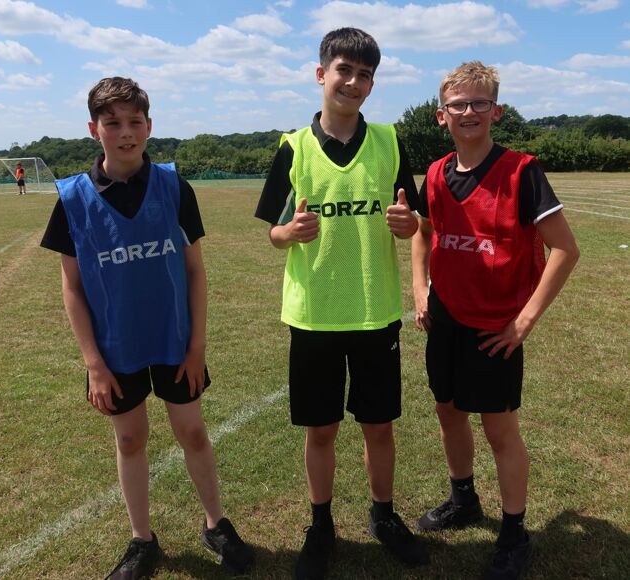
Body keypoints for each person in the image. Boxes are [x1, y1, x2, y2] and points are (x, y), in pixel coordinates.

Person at [40, 77, 254, 579]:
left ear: (150, 126)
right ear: (93, 129)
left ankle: (216, 523)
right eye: (112, 123)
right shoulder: (73, 198)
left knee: (192, 431)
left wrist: (197, 345)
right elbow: (71, 288)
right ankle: (142, 540)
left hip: (174, 341)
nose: (125, 132)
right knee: (130, 439)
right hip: (115, 348)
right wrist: (93, 364)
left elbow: (195, 271)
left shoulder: (174, 187)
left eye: (134, 121)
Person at [255, 27, 428, 580]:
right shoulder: (293, 147)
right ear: (320, 74)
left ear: (373, 84)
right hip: (314, 315)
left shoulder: (389, 141)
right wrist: (290, 233)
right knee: (321, 429)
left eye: (364, 74)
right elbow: (273, 232)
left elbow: (412, 221)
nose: (352, 82)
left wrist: (408, 224)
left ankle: (384, 516)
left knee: (379, 426)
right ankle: (321, 525)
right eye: (343, 70)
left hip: (375, 311)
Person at [411, 61, 580, 580]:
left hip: (494, 328)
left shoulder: (522, 171)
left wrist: (523, 322)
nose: (469, 112)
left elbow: (565, 250)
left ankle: (514, 532)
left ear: (496, 111)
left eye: (479, 103)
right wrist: (419, 288)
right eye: (458, 104)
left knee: (499, 430)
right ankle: (464, 499)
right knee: (447, 411)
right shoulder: (435, 173)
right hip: (444, 319)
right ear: (441, 115)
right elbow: (423, 232)